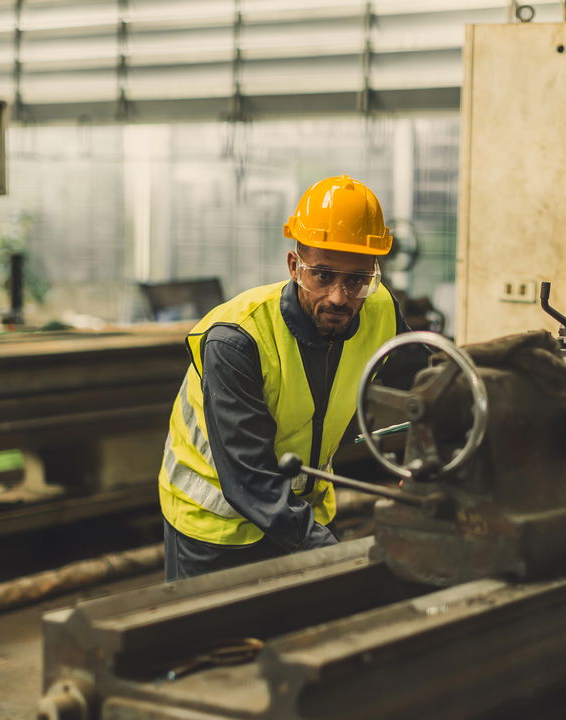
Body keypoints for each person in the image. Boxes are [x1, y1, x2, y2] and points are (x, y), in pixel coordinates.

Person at [158, 175, 417, 580]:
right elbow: (249, 475)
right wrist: (331, 553)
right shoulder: (237, 338)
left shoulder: (381, 311)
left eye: (356, 281)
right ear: (295, 266)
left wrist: (422, 469)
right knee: (217, 641)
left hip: (303, 511)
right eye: (323, 275)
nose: (339, 296)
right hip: (215, 528)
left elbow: (426, 387)